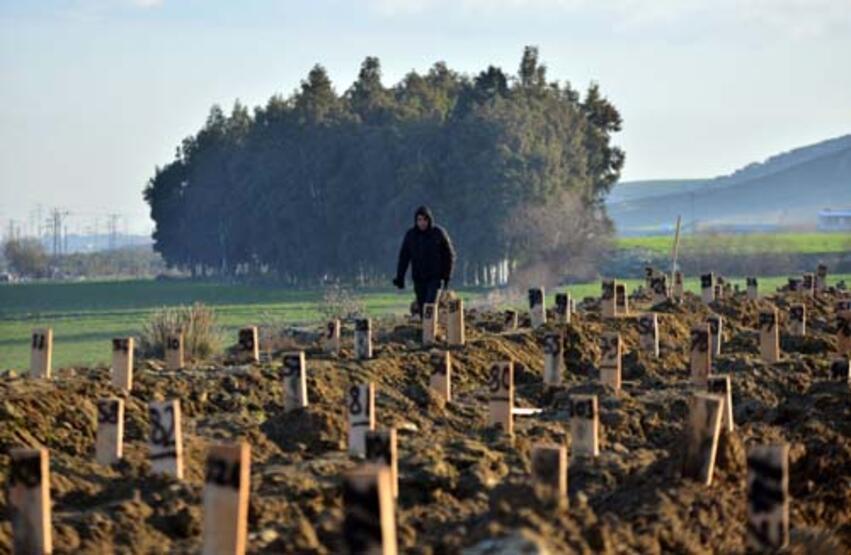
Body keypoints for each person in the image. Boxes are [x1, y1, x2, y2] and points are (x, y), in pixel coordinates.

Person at [393, 206, 456, 315]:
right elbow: (404, 258)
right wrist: (400, 278)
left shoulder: (438, 233)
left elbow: (449, 256)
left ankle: (431, 330)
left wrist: (446, 276)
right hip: (418, 279)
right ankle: (427, 330)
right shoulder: (411, 236)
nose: (422, 223)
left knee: (430, 306)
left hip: (435, 278)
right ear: (416, 221)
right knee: (423, 309)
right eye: (419, 220)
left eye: (425, 219)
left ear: (429, 220)